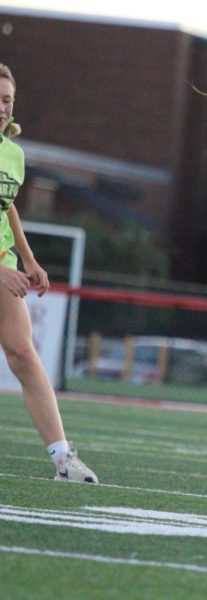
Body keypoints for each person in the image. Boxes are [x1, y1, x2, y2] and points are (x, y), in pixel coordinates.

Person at [0, 63, 98, 484]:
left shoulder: (12, 154)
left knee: (23, 353)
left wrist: (27, 258)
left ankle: (63, 460)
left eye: (7, 100)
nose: (2, 107)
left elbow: (8, 206)